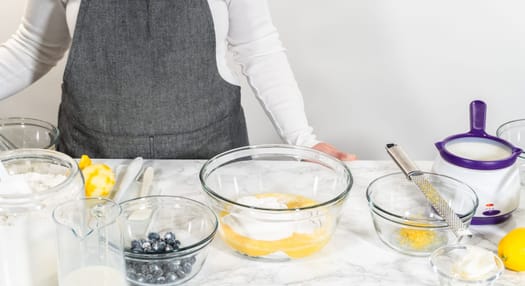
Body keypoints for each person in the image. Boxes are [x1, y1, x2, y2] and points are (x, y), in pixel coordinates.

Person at [0, 0, 356, 160]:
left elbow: (257, 47)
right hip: (95, 165)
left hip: (209, 164)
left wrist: (304, 141)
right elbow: (35, 46)